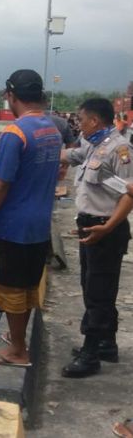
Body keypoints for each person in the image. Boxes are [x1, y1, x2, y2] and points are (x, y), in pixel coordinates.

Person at [0, 69, 61, 367]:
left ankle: (18, 351)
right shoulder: (51, 130)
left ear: (11, 95)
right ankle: (17, 338)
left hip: (13, 226)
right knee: (26, 286)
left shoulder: (15, 133)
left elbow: (0, 183)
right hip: (38, 225)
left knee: (9, 289)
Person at [60, 98, 133, 377]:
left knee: (98, 292)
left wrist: (109, 226)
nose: (78, 124)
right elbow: (71, 156)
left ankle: (90, 355)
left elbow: (130, 194)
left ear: (95, 120)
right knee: (94, 286)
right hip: (89, 224)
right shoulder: (93, 144)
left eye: (81, 119)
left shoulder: (121, 149)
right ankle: (106, 343)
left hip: (106, 227)